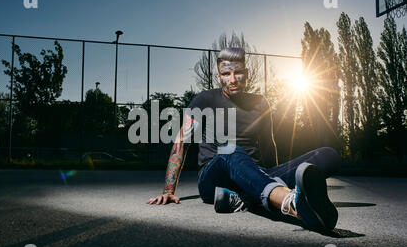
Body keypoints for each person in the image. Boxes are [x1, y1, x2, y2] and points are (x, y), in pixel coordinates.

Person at [146, 47, 341, 231]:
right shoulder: (204, 100)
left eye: (237, 72)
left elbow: (268, 145)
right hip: (214, 179)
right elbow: (182, 141)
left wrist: (273, 175)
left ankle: (244, 197)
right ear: (218, 76)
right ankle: (291, 204)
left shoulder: (260, 103)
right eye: (226, 74)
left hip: (255, 172)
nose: (232, 79)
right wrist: (169, 189)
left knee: (327, 155)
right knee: (230, 149)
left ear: (246, 73)